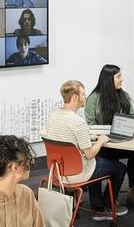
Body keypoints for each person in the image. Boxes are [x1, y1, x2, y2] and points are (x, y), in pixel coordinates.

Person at [42, 80, 128, 218]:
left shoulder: (54, 116)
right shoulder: (77, 122)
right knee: (119, 167)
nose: (86, 96)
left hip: (58, 171)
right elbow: (89, 154)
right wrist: (100, 141)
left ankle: (97, 205)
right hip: (78, 173)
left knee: (98, 162)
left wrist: (89, 136)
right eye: (83, 93)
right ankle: (106, 206)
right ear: (75, 97)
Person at [85, 64, 134, 208]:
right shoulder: (94, 98)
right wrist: (102, 135)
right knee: (97, 160)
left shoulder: (124, 96)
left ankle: (133, 192)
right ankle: (101, 202)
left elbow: (131, 115)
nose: (121, 80)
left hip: (121, 140)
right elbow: (89, 125)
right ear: (108, 79)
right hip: (102, 144)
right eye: (118, 77)